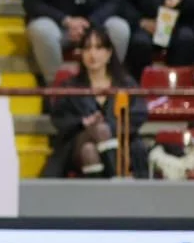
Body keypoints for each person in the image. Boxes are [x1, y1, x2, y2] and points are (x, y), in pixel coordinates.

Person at [44, 24, 147, 178]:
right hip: (77, 142)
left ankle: (100, 197)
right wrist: (83, 123)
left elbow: (139, 114)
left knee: (90, 150)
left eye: (98, 48)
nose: (92, 54)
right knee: (98, 131)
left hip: (120, 141)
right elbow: (59, 119)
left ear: (108, 53)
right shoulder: (70, 86)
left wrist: (111, 127)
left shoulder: (126, 84)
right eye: (87, 48)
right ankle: (117, 178)